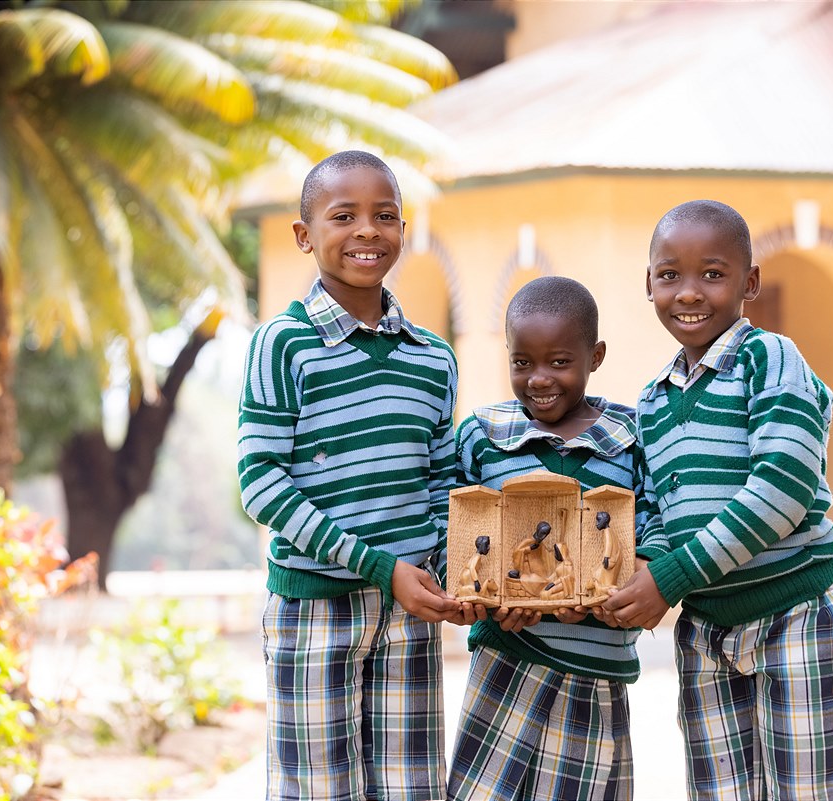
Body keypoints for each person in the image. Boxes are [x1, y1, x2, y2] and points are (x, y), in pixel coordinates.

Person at [603, 200, 833, 801]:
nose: (690, 293)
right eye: (670, 275)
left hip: (797, 614)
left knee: (816, 788)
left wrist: (668, 578)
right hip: (705, 631)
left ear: (750, 282)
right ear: (648, 283)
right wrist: (647, 564)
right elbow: (651, 507)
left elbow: (783, 486)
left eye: (714, 274)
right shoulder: (651, 402)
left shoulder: (770, 359)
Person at [237, 150, 461, 801]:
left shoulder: (433, 358)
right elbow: (261, 482)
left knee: (411, 787)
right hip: (312, 607)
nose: (367, 230)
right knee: (317, 789)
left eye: (384, 215)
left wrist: (449, 573)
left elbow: (442, 482)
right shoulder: (283, 343)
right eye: (344, 215)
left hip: (407, 611)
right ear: (304, 236)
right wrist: (379, 565)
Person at [447, 276, 666, 801]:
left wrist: (634, 571)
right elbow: (455, 527)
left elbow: (657, 517)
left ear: (596, 356)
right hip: (506, 661)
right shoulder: (483, 436)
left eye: (560, 362)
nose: (539, 379)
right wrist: (482, 599)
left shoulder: (632, 439)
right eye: (523, 362)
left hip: (595, 667)